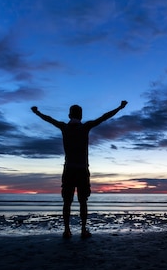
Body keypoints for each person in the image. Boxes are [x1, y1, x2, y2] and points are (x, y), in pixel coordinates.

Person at [31, 100, 128, 239]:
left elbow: (49, 119)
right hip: (82, 170)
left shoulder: (65, 127)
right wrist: (119, 107)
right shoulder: (85, 127)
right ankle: (83, 230)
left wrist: (37, 112)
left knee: (67, 201)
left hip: (69, 169)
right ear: (81, 116)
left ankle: (67, 230)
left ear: (69, 115)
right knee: (83, 201)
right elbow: (104, 117)